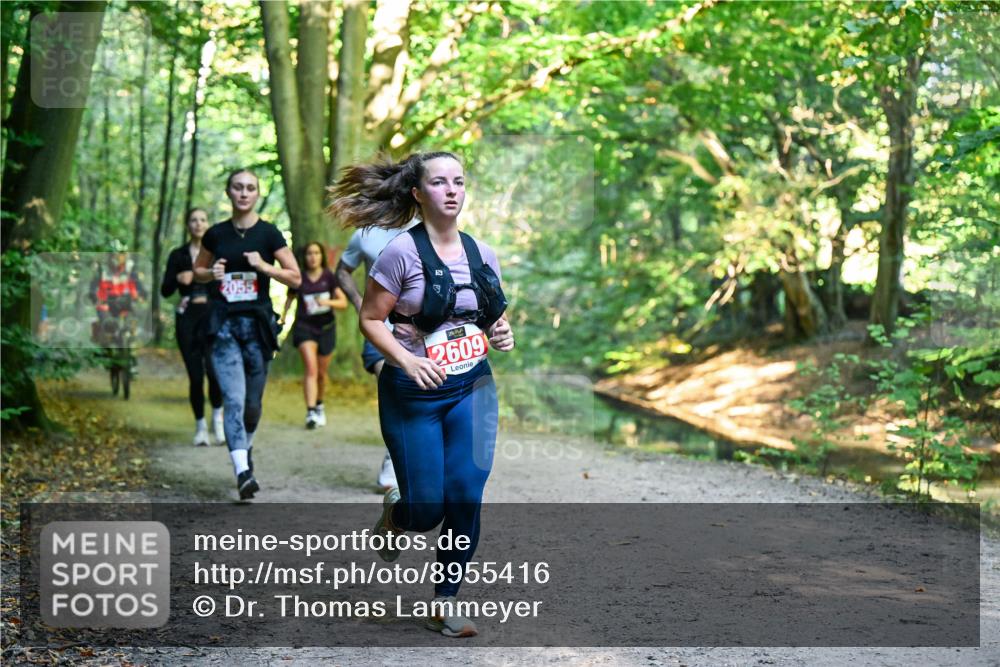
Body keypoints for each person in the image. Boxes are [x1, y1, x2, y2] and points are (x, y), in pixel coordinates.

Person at [329, 151, 515, 638]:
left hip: (472, 386)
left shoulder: (482, 253)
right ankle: (398, 512)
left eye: (459, 181)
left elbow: (491, 315)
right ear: (417, 193)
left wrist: (502, 332)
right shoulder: (400, 253)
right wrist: (406, 360)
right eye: (439, 182)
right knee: (426, 509)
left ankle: (444, 602)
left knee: (466, 496)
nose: (451, 190)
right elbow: (371, 319)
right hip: (413, 392)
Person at [193, 169, 301, 500]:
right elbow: (197, 273)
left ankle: (246, 449)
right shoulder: (215, 234)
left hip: (257, 329)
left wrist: (264, 266)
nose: (243, 193)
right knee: (234, 400)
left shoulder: (269, 234)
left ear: (257, 194)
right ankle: (242, 472)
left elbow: (296, 278)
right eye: (237, 187)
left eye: (250, 188)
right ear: (228, 192)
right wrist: (210, 273)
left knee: (253, 405)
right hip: (223, 326)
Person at [335, 221, 418, 489]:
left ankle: (408, 458)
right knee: (396, 391)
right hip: (380, 331)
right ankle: (393, 461)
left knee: (417, 400)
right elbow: (342, 271)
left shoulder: (426, 228)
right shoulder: (365, 234)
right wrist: (360, 303)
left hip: (419, 334)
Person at [161, 208, 225, 447]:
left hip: (212, 319)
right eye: (194, 220)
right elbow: (165, 290)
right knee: (196, 377)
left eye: (202, 220)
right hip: (187, 320)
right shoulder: (178, 255)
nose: (198, 224)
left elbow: (226, 286)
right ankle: (200, 428)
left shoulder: (217, 254)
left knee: (214, 373)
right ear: (188, 225)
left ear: (208, 224)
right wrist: (178, 278)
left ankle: (218, 422)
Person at [280, 241, 347, 429]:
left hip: (326, 328)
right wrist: (283, 317)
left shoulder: (329, 276)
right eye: (309, 253)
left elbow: (343, 303)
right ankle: (310, 412)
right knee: (311, 368)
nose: (313, 257)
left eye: (316, 253)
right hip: (305, 327)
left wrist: (327, 303)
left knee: (321, 374)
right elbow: (290, 298)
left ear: (321, 256)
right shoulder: (299, 277)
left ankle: (319, 405)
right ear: (305, 257)